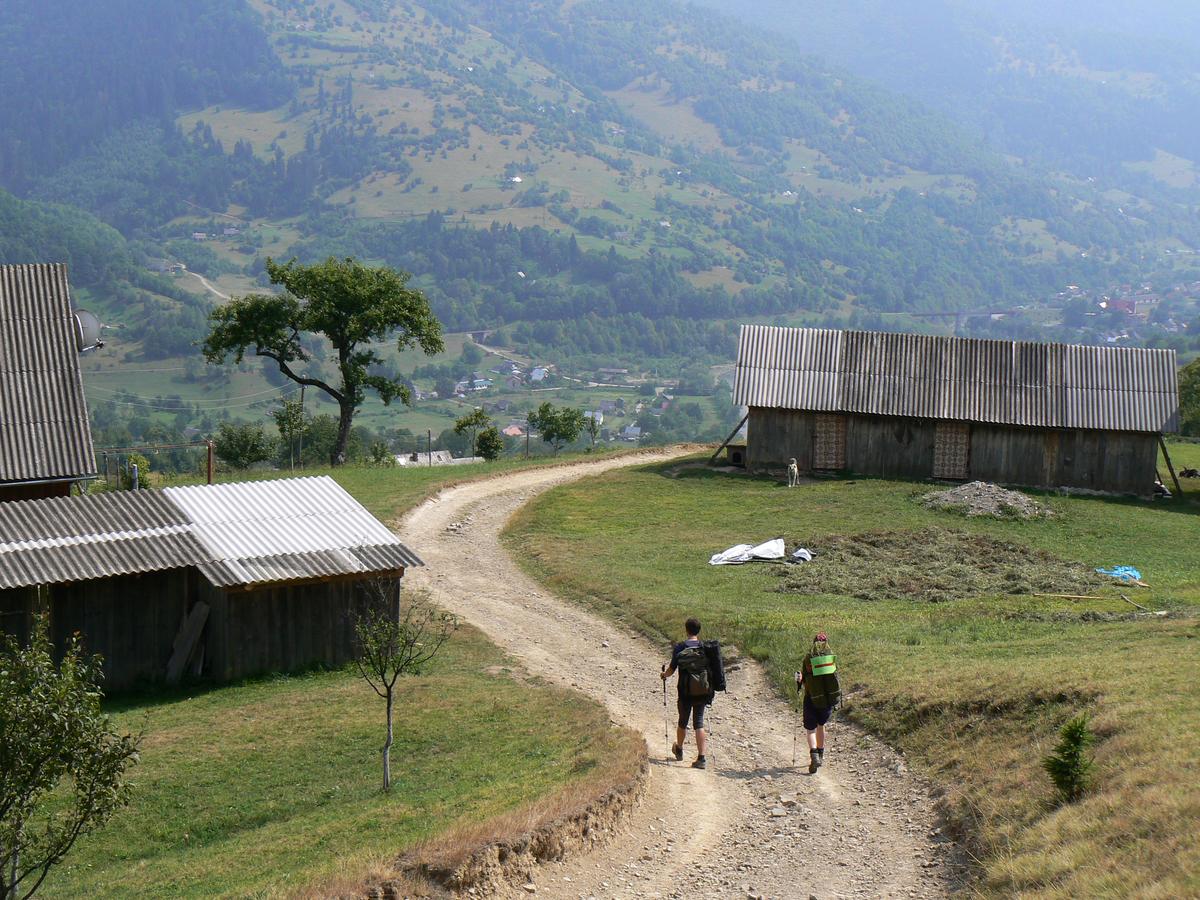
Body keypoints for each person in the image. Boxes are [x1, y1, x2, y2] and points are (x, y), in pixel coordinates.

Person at [660, 617, 713, 769]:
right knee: (699, 722)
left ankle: (679, 749)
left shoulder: (680, 648)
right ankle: (701, 758)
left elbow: (671, 670)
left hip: (685, 692)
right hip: (702, 690)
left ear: (686, 630)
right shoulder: (704, 647)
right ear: (698, 631)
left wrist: (664, 675)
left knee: (683, 721)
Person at [796, 631, 839, 774]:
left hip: (811, 699)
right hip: (826, 700)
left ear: (814, 643)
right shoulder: (831, 658)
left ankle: (814, 754)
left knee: (811, 729)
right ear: (826, 643)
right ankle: (820, 754)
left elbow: (803, 680)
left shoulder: (808, 658)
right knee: (821, 726)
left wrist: (798, 679)